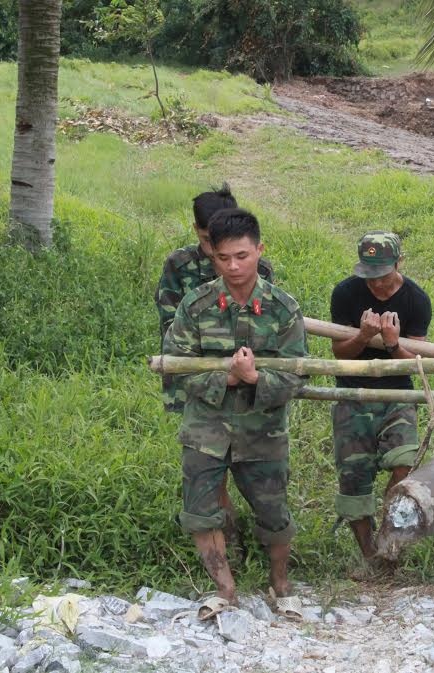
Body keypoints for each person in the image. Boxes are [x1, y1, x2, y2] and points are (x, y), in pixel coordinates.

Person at [164, 208, 306, 609]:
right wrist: (224, 379)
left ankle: (280, 584)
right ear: (213, 257)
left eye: (242, 256)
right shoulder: (196, 305)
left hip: (262, 431)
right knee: (200, 511)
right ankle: (225, 589)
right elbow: (176, 363)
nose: (233, 266)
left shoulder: (282, 308)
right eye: (223, 258)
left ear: (260, 250)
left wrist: (256, 379)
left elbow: (298, 374)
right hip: (206, 430)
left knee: (273, 512)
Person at [155, 184, 274, 552]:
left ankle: (262, 528)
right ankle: (224, 528)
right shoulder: (180, 265)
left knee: (250, 455)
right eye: (209, 241)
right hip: (198, 374)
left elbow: (265, 322)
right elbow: (171, 325)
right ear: (198, 233)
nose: (219, 255)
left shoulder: (258, 268)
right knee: (207, 453)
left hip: (246, 377)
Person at [329, 231, 432, 563]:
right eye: (369, 276)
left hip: (396, 392)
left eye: (383, 275)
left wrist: (390, 343)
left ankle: (389, 535)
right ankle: (370, 555)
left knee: (405, 463)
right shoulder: (345, 293)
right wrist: (362, 337)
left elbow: (413, 360)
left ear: (399, 262)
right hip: (353, 393)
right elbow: (340, 355)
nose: (376, 284)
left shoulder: (416, 299)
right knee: (354, 477)